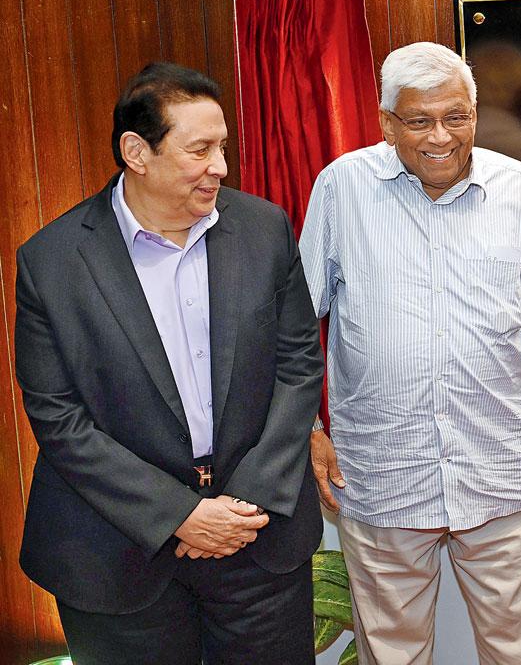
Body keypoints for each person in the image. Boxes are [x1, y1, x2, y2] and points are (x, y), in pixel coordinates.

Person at [14, 62, 324, 664]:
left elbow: (299, 366)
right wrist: (178, 514)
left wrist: (244, 504)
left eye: (223, 147)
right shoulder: (53, 261)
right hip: (117, 554)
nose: (221, 167)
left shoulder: (264, 229)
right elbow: (59, 419)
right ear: (137, 152)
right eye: (200, 150)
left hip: (257, 541)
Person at [300, 41, 521, 665]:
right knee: (392, 654)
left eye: (456, 116)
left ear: (475, 114)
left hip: (498, 467)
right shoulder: (341, 189)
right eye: (419, 120)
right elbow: (298, 325)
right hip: (383, 470)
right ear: (386, 123)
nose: (441, 136)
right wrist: (312, 432)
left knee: (516, 652)